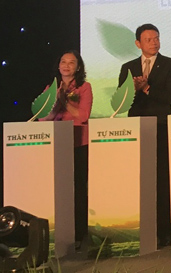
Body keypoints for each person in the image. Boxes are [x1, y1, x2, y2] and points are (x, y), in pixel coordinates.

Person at [118, 23, 171, 247]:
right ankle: (141, 231)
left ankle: (164, 231)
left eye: (157, 38)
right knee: (138, 179)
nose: (154, 42)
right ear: (138, 43)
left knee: (162, 179)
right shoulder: (128, 67)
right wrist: (133, 90)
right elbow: (122, 100)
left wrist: (146, 88)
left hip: (161, 126)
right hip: (136, 128)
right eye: (149, 39)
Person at [43, 50, 92, 246]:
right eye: (63, 62)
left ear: (78, 67)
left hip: (78, 142)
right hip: (57, 143)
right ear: (58, 66)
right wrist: (55, 104)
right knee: (58, 189)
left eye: (71, 62)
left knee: (78, 188)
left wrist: (65, 101)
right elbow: (44, 117)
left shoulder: (84, 88)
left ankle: (79, 235)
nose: (66, 65)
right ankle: (60, 235)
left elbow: (83, 116)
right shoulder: (51, 88)